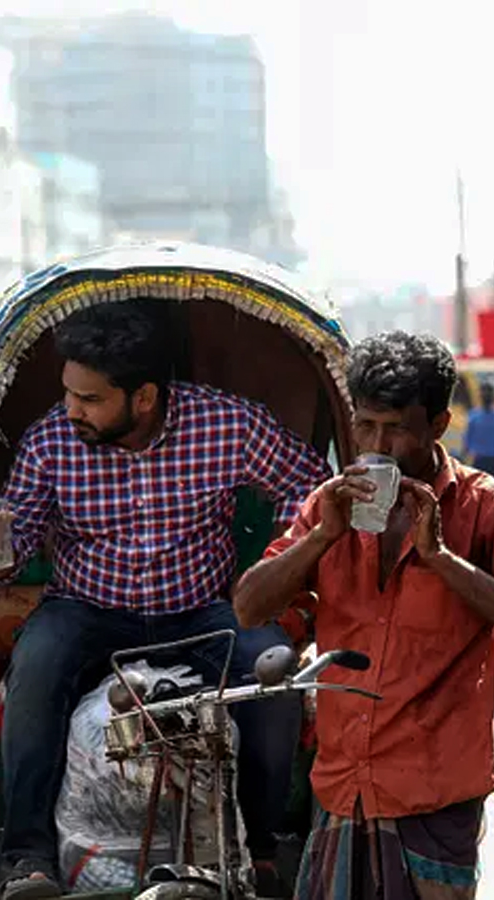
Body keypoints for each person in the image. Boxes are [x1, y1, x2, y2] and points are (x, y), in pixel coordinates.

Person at [0, 301, 331, 900]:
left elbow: (308, 484)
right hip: (87, 607)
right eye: (70, 394)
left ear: (146, 397)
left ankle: (258, 848)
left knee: (274, 682)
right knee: (35, 672)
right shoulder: (52, 440)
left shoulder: (226, 424)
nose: (72, 409)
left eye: (91, 399)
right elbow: (17, 539)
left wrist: (271, 568)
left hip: (202, 608)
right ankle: (29, 857)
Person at [234, 331, 494, 900]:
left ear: (438, 424)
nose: (377, 446)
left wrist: (439, 557)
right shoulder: (329, 507)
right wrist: (323, 535)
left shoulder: (481, 506)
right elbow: (250, 606)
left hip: (435, 787)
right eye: (365, 426)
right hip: (344, 784)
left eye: (396, 428)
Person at [463, 381, 494, 473]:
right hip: (478, 459)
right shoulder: (473, 414)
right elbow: (468, 436)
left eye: (489, 391)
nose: (486, 394)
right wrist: (464, 455)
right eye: (483, 391)